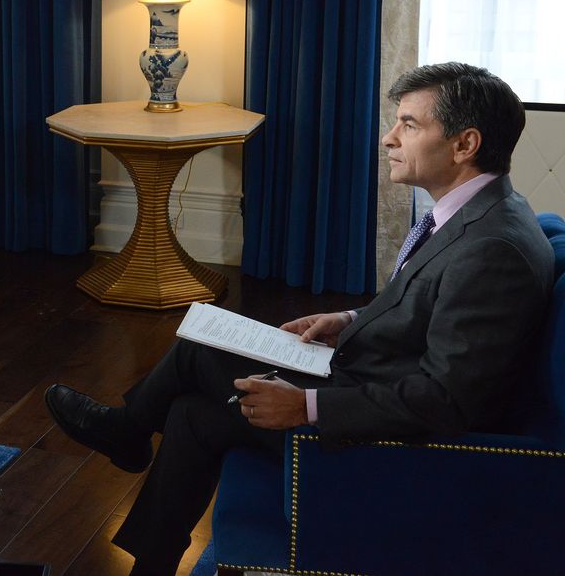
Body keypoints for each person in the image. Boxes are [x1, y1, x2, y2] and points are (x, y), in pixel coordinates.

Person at [45, 62, 556, 575]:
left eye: (409, 125)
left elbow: (448, 401)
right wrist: (349, 316)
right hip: (373, 375)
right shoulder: (480, 215)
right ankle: (150, 560)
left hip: (403, 445)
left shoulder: (493, 249)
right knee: (192, 413)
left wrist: (306, 406)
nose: (388, 139)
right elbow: (430, 302)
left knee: (200, 351)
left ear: (465, 144)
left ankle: (127, 431)